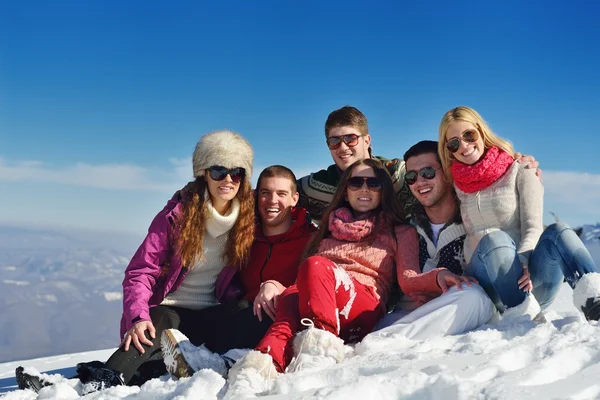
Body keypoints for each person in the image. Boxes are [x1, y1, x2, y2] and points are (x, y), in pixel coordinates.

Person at [16, 130, 256, 392]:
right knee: (155, 321)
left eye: (237, 173)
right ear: (204, 173)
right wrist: (137, 317)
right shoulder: (177, 216)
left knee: (249, 311)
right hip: (168, 313)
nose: (228, 180)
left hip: (212, 314)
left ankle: (128, 372)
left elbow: (286, 200)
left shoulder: (248, 219)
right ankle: (102, 379)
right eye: (219, 171)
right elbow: (141, 271)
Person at [224, 158, 473, 399]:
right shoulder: (327, 229)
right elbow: (308, 280)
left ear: (383, 190)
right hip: (319, 297)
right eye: (355, 183)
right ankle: (255, 372)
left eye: (372, 183)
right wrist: (276, 285)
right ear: (345, 190)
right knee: (288, 307)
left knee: (316, 266)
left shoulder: (399, 230)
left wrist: (438, 276)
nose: (364, 189)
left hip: (361, 303)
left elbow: (408, 279)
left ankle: (319, 356)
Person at [438, 106, 600, 322]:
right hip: (487, 283)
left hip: (531, 279)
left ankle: (594, 301)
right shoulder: (454, 184)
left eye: (469, 135)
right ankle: (523, 317)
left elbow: (533, 226)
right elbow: (417, 178)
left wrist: (523, 260)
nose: (464, 146)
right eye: (454, 143)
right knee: (495, 237)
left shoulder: (521, 169)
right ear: (448, 149)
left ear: (481, 131)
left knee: (559, 230)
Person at [159, 165, 315, 378]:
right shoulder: (244, 235)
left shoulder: (310, 240)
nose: (272, 201)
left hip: (278, 320)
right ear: (256, 196)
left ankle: (213, 361)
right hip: (233, 316)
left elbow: (315, 285)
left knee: (255, 312)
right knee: (168, 320)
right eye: (265, 193)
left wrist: (278, 287)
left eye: (281, 194)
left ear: (294, 198)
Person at [361, 141, 495, 345]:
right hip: (407, 317)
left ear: (448, 173)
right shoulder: (406, 229)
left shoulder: (475, 219)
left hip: (461, 309)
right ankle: (387, 341)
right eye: (411, 177)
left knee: (474, 297)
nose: (420, 182)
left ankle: (386, 343)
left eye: (428, 172)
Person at [296, 105, 414, 221]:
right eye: (334, 140)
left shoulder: (398, 175)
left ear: (366, 141)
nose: (342, 147)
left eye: (350, 139)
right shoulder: (312, 188)